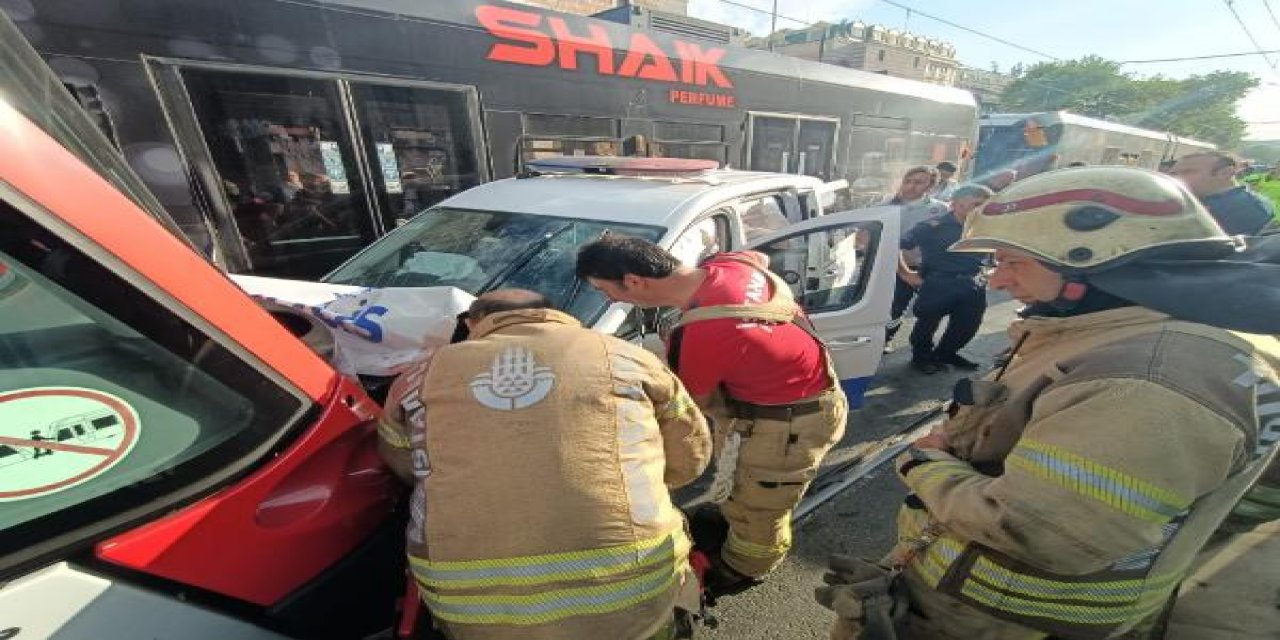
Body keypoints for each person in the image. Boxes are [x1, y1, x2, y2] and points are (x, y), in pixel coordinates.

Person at [816, 166, 1280, 639]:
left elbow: (1035, 531)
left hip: (996, 619)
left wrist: (925, 463)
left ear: (1093, 264)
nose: (998, 280)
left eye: (1013, 262)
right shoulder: (1133, 335)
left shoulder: (1150, 381)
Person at [377, 289, 711, 640]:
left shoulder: (418, 378)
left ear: (473, 323)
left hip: (471, 607)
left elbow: (402, 466)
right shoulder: (628, 357)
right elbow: (691, 457)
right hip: (631, 591)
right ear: (551, 313)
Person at [575, 239, 848, 596]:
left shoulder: (701, 333)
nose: (610, 300)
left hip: (784, 430)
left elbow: (694, 405)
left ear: (634, 281)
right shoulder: (732, 265)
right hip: (810, 400)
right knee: (741, 485)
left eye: (605, 290)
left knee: (761, 508)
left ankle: (744, 567)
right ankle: (735, 517)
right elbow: (760, 256)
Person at [897, 184, 994, 374]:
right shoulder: (932, 226)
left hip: (974, 283)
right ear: (957, 203)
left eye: (984, 206)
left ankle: (946, 353)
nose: (981, 210)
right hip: (939, 283)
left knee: (967, 325)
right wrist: (905, 273)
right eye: (976, 204)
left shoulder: (984, 226)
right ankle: (921, 358)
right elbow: (896, 244)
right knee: (927, 325)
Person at [883, 166, 950, 348]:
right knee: (895, 307)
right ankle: (885, 340)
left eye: (919, 182)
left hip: (928, 267)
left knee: (931, 309)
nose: (911, 186)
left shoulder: (940, 209)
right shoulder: (886, 206)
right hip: (894, 266)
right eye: (908, 181)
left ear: (931, 186)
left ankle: (923, 349)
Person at [1169, 151, 1275, 235]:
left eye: (1188, 172)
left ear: (1225, 173)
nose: (1176, 178)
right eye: (1173, 174)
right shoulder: (1226, 200)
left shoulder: (1244, 208)